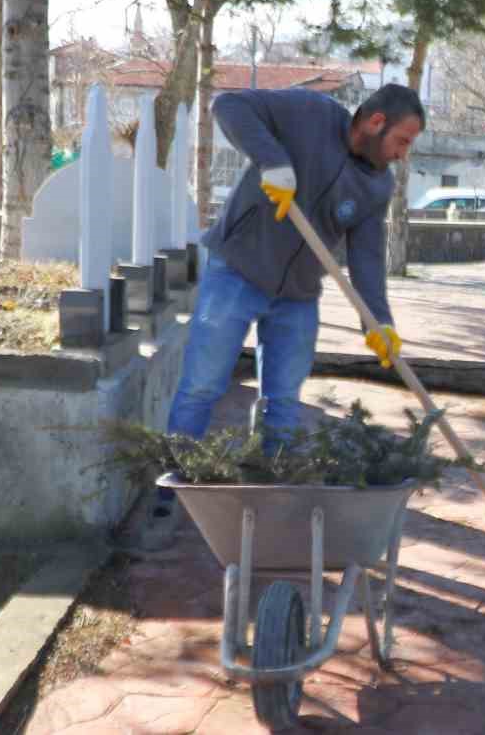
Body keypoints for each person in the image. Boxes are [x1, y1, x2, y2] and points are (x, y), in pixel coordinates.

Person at [132, 83, 425, 549]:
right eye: (402, 141)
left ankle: (271, 496)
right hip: (236, 271)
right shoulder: (309, 114)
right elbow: (227, 105)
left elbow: (367, 256)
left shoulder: (377, 184)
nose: (402, 155)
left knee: (283, 401)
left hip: (298, 296)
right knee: (203, 384)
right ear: (376, 122)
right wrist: (274, 161)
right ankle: (170, 490)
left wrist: (379, 321)